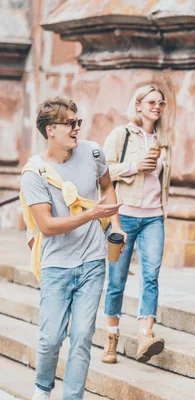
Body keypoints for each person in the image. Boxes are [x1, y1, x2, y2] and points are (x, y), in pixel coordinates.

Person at [21, 97, 126, 400]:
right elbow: (48, 226)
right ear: (51, 129)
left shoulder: (93, 152)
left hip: (93, 262)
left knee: (81, 337)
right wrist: (91, 215)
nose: (77, 128)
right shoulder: (35, 173)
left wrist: (115, 225)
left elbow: (106, 188)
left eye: (78, 122)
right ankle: (42, 389)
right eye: (70, 123)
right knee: (50, 339)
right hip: (57, 265)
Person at [101, 84, 172, 364]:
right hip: (124, 217)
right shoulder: (122, 134)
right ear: (139, 105)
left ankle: (146, 336)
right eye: (151, 101)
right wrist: (134, 167)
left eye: (161, 103)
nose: (157, 106)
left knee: (151, 276)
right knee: (116, 281)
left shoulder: (164, 140)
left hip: (154, 216)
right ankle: (111, 340)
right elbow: (103, 172)